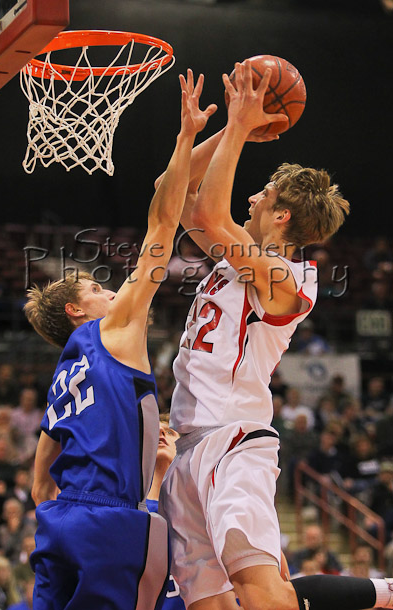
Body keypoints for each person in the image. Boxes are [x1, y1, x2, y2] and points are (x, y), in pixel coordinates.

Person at [159, 60, 393, 610]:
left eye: (263, 194)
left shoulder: (289, 279)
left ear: (282, 215)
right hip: (188, 444)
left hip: (233, 441)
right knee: (208, 605)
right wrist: (223, 130)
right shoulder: (236, 257)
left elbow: (211, 213)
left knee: (261, 594)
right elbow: (173, 192)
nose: (251, 199)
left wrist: (242, 128)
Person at [23, 70, 217, 610]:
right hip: (108, 518)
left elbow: (41, 473)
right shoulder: (111, 331)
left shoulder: (65, 371)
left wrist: (55, 505)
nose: (110, 291)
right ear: (75, 311)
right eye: (96, 289)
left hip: (59, 520)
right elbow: (162, 222)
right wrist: (187, 136)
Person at [146, 415, 185, 609]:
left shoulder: (207, 512)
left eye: (170, 432)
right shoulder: (126, 514)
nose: (161, 432)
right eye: (153, 431)